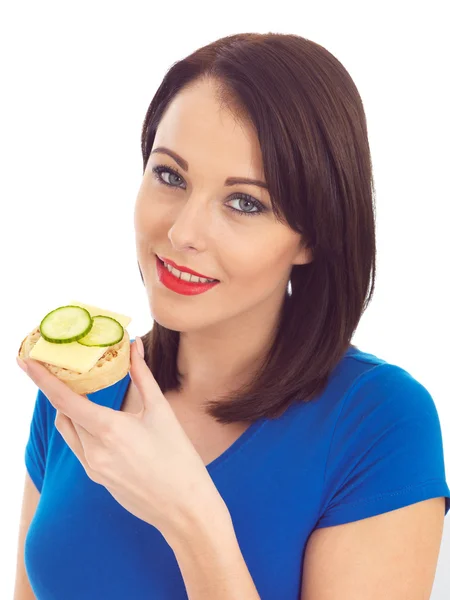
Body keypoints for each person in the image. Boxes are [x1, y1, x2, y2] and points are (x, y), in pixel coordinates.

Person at [14, 32, 450, 600]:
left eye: (245, 202)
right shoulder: (78, 389)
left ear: (312, 236)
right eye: (170, 175)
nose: (182, 233)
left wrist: (190, 519)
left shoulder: (379, 423)